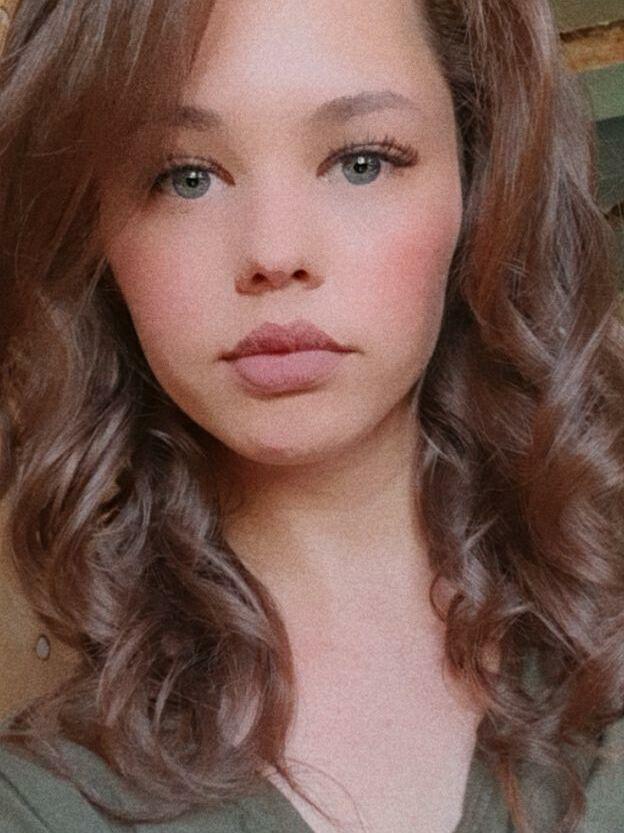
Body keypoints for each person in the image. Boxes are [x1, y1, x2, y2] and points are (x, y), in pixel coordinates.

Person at [0, 1, 623, 832]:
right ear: (94, 234)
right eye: (185, 176)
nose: (273, 252)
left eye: (361, 162)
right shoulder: (38, 799)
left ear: (479, 184)